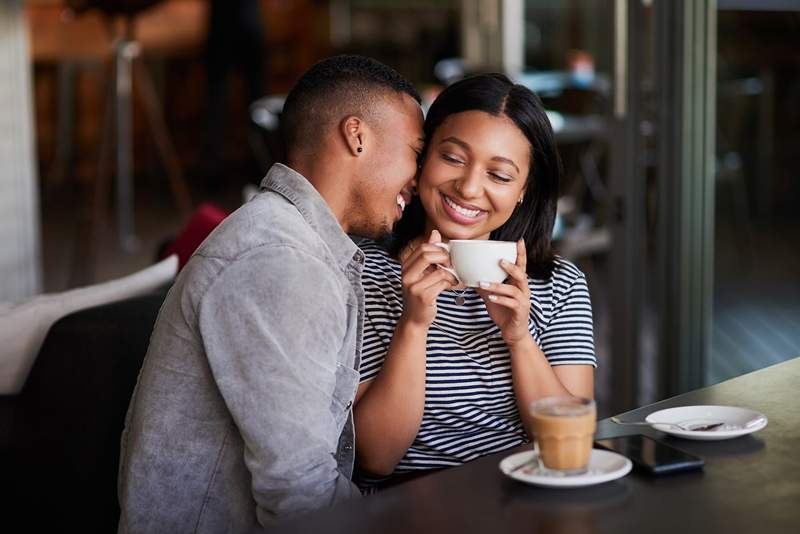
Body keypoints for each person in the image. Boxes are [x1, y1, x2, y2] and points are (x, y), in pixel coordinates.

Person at [117, 55, 424, 532]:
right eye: (414, 152)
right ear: (357, 136)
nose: (418, 181)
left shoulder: (301, 244)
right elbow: (300, 493)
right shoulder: (280, 259)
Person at [352, 73, 596, 489]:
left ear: (523, 190)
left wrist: (520, 339)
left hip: (525, 494)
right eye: (453, 157)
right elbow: (376, 459)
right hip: (408, 507)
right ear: (423, 157)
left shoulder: (560, 283)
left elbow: (572, 442)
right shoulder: (361, 273)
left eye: (499, 176)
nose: (468, 187)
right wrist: (413, 324)